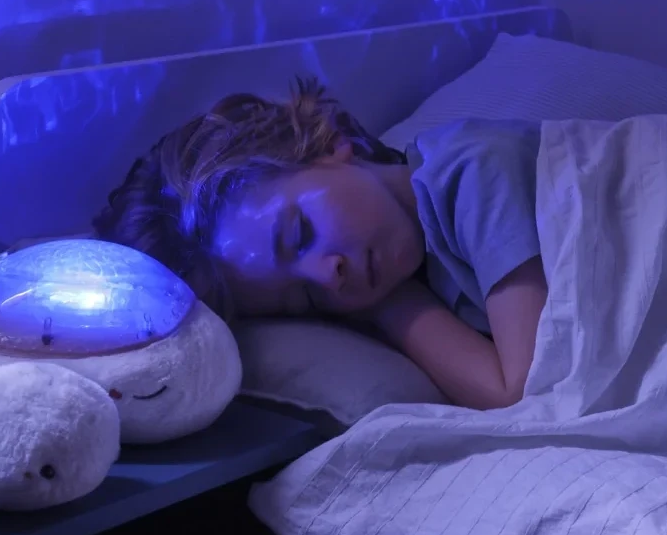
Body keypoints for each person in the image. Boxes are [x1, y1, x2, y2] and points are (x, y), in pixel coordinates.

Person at [92, 79, 547, 410]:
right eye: (305, 297)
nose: (328, 276)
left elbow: (527, 391)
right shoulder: (426, 262)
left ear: (323, 144)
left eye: (300, 234)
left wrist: (394, 306)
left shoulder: (473, 173)